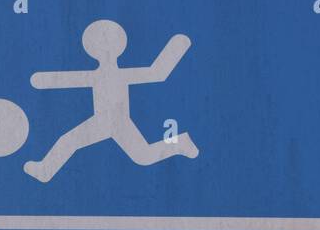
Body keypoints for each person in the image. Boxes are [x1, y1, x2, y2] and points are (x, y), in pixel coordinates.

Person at [23, 19, 198, 182]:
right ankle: (44, 169)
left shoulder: (119, 75)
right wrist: (41, 80)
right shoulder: (96, 75)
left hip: (119, 121)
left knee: (142, 156)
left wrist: (178, 45)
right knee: (69, 141)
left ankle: (179, 143)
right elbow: (66, 80)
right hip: (101, 121)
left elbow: (157, 73)